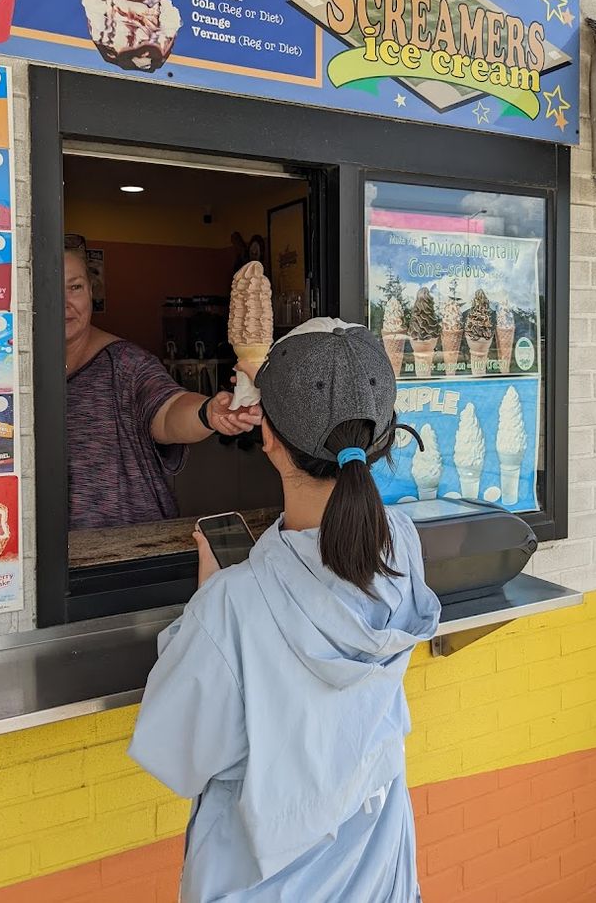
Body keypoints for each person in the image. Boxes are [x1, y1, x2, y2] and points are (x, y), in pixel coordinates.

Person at [129, 319, 441, 902]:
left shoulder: (232, 607)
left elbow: (181, 756)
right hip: (381, 875)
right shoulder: (400, 547)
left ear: (266, 439)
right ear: (387, 437)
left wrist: (213, 603)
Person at [64, 238, 259, 530]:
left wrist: (207, 412)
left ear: (92, 292)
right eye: (48, 285)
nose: (63, 302)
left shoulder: (127, 364)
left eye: (75, 287)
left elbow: (167, 411)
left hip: (131, 550)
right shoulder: (3, 373)